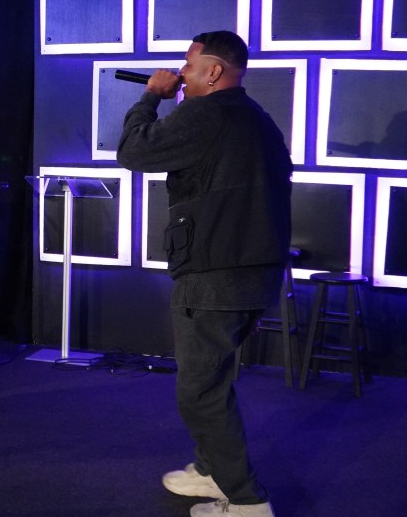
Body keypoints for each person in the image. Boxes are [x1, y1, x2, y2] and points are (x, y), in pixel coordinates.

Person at [116, 30, 292, 517]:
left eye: (188, 65)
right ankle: (212, 469)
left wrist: (151, 97)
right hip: (256, 274)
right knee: (214, 381)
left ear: (213, 71)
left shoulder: (205, 113)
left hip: (214, 275)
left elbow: (133, 152)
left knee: (200, 392)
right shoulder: (259, 119)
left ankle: (248, 501)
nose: (180, 73)